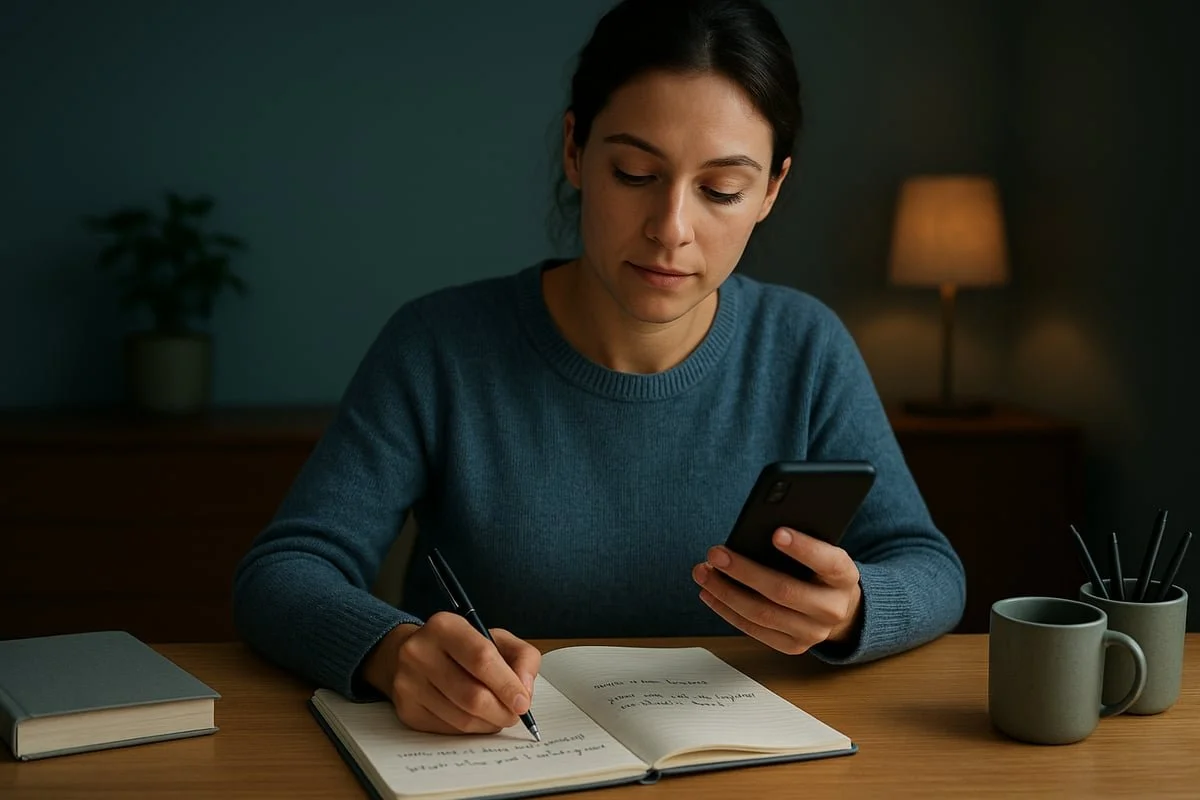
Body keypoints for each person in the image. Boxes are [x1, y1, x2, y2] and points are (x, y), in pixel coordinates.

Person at [232, 0, 965, 738]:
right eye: (635, 172)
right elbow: (284, 570)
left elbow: (929, 567)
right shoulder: (438, 345)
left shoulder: (805, 346)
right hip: (495, 761)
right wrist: (392, 653)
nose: (671, 229)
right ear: (576, 150)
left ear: (771, 190)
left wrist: (853, 608)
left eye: (721, 190)